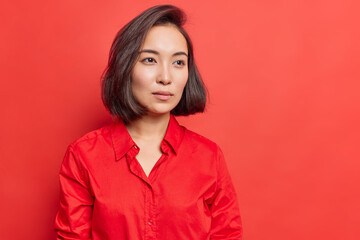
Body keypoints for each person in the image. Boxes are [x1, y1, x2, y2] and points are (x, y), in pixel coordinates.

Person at [54, 4, 242, 240]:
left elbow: (227, 235)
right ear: (126, 67)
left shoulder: (209, 157)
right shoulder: (83, 156)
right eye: (150, 60)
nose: (165, 77)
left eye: (178, 62)